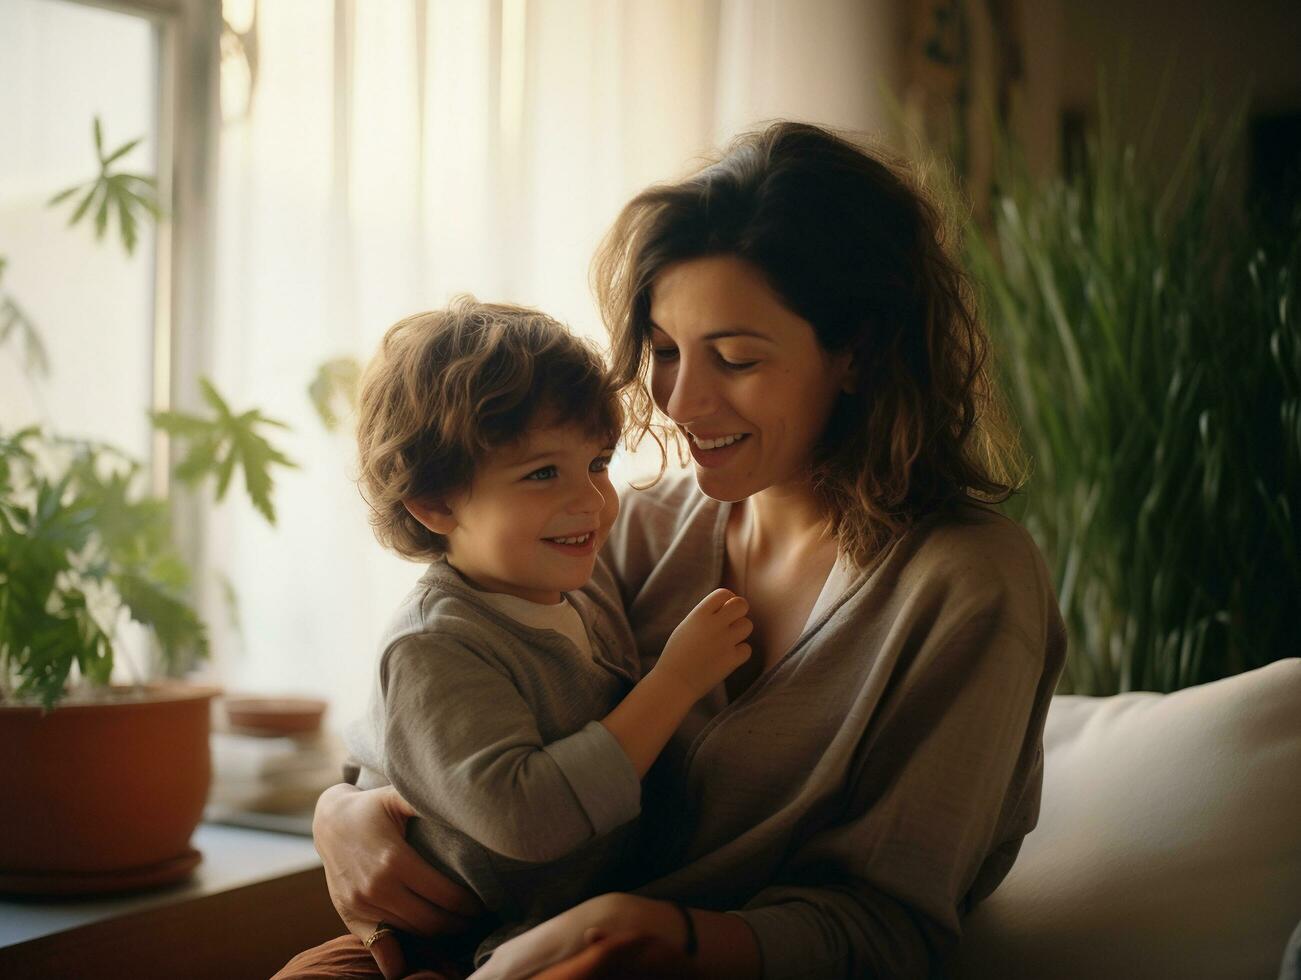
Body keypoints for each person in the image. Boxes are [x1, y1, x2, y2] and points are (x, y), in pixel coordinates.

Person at [279, 121, 1067, 980]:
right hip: (467, 945)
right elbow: (444, 699)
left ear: (857, 352)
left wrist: (654, 933)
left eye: (732, 358)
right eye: (661, 352)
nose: (681, 401)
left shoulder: (965, 582)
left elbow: (892, 931)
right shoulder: (624, 530)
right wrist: (342, 811)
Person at [335, 299, 752, 974]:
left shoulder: (579, 585)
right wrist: (673, 683)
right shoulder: (433, 645)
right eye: (540, 473)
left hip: (561, 922)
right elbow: (527, 818)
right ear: (436, 503)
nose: (591, 501)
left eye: (597, 462)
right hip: (453, 945)